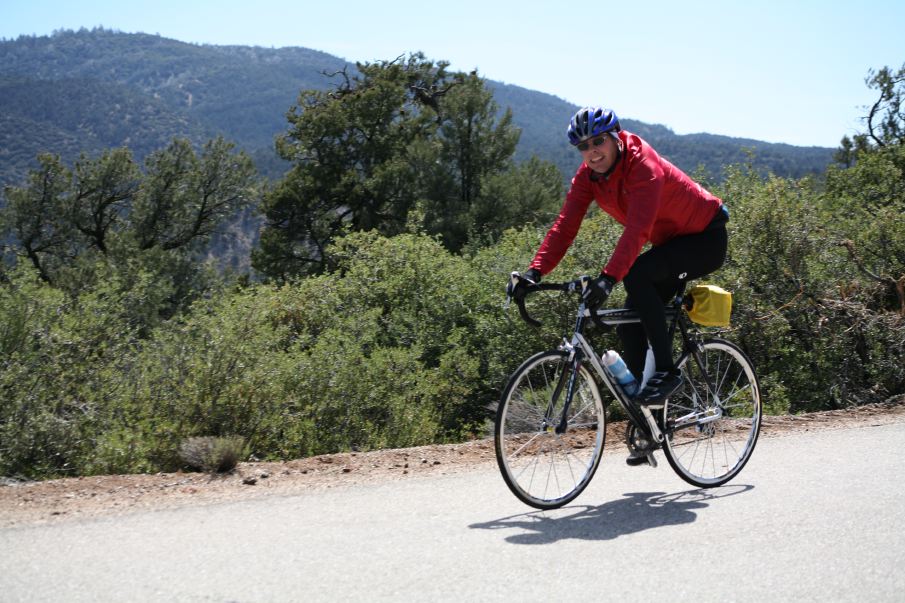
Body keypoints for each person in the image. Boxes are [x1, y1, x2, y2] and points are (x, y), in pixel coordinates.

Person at [511, 107, 729, 463]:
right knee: (630, 318)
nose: (592, 151)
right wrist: (535, 272)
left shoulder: (643, 165)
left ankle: (667, 372)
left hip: (705, 238)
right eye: (583, 146)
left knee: (638, 275)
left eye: (598, 141)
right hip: (670, 246)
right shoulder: (588, 178)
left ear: (615, 137)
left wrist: (608, 278)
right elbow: (566, 225)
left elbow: (637, 231)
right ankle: (649, 424)